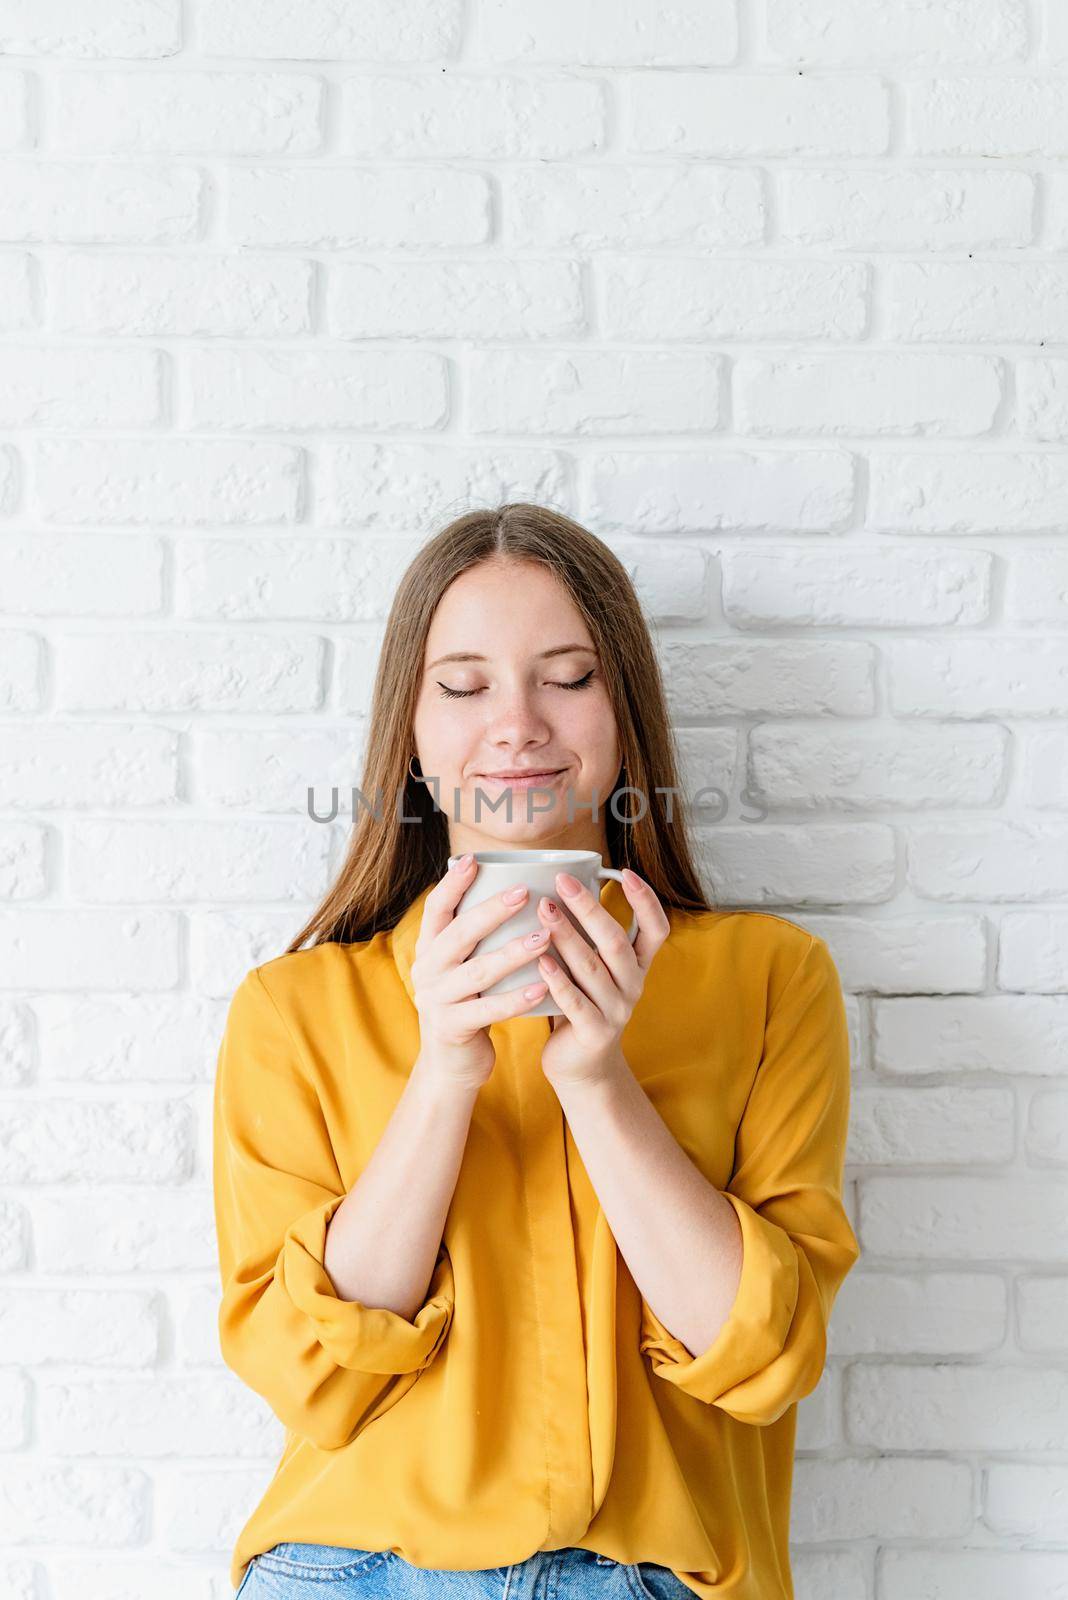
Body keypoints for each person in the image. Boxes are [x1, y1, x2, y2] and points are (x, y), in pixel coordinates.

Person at [212, 503, 860, 1599]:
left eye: (566, 677)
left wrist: (599, 1083)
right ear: (409, 732)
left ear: (627, 715)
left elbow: (762, 1359)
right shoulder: (295, 1007)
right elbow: (313, 1376)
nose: (515, 725)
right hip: (352, 1571)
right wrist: (445, 1070)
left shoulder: (768, 981)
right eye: (463, 685)